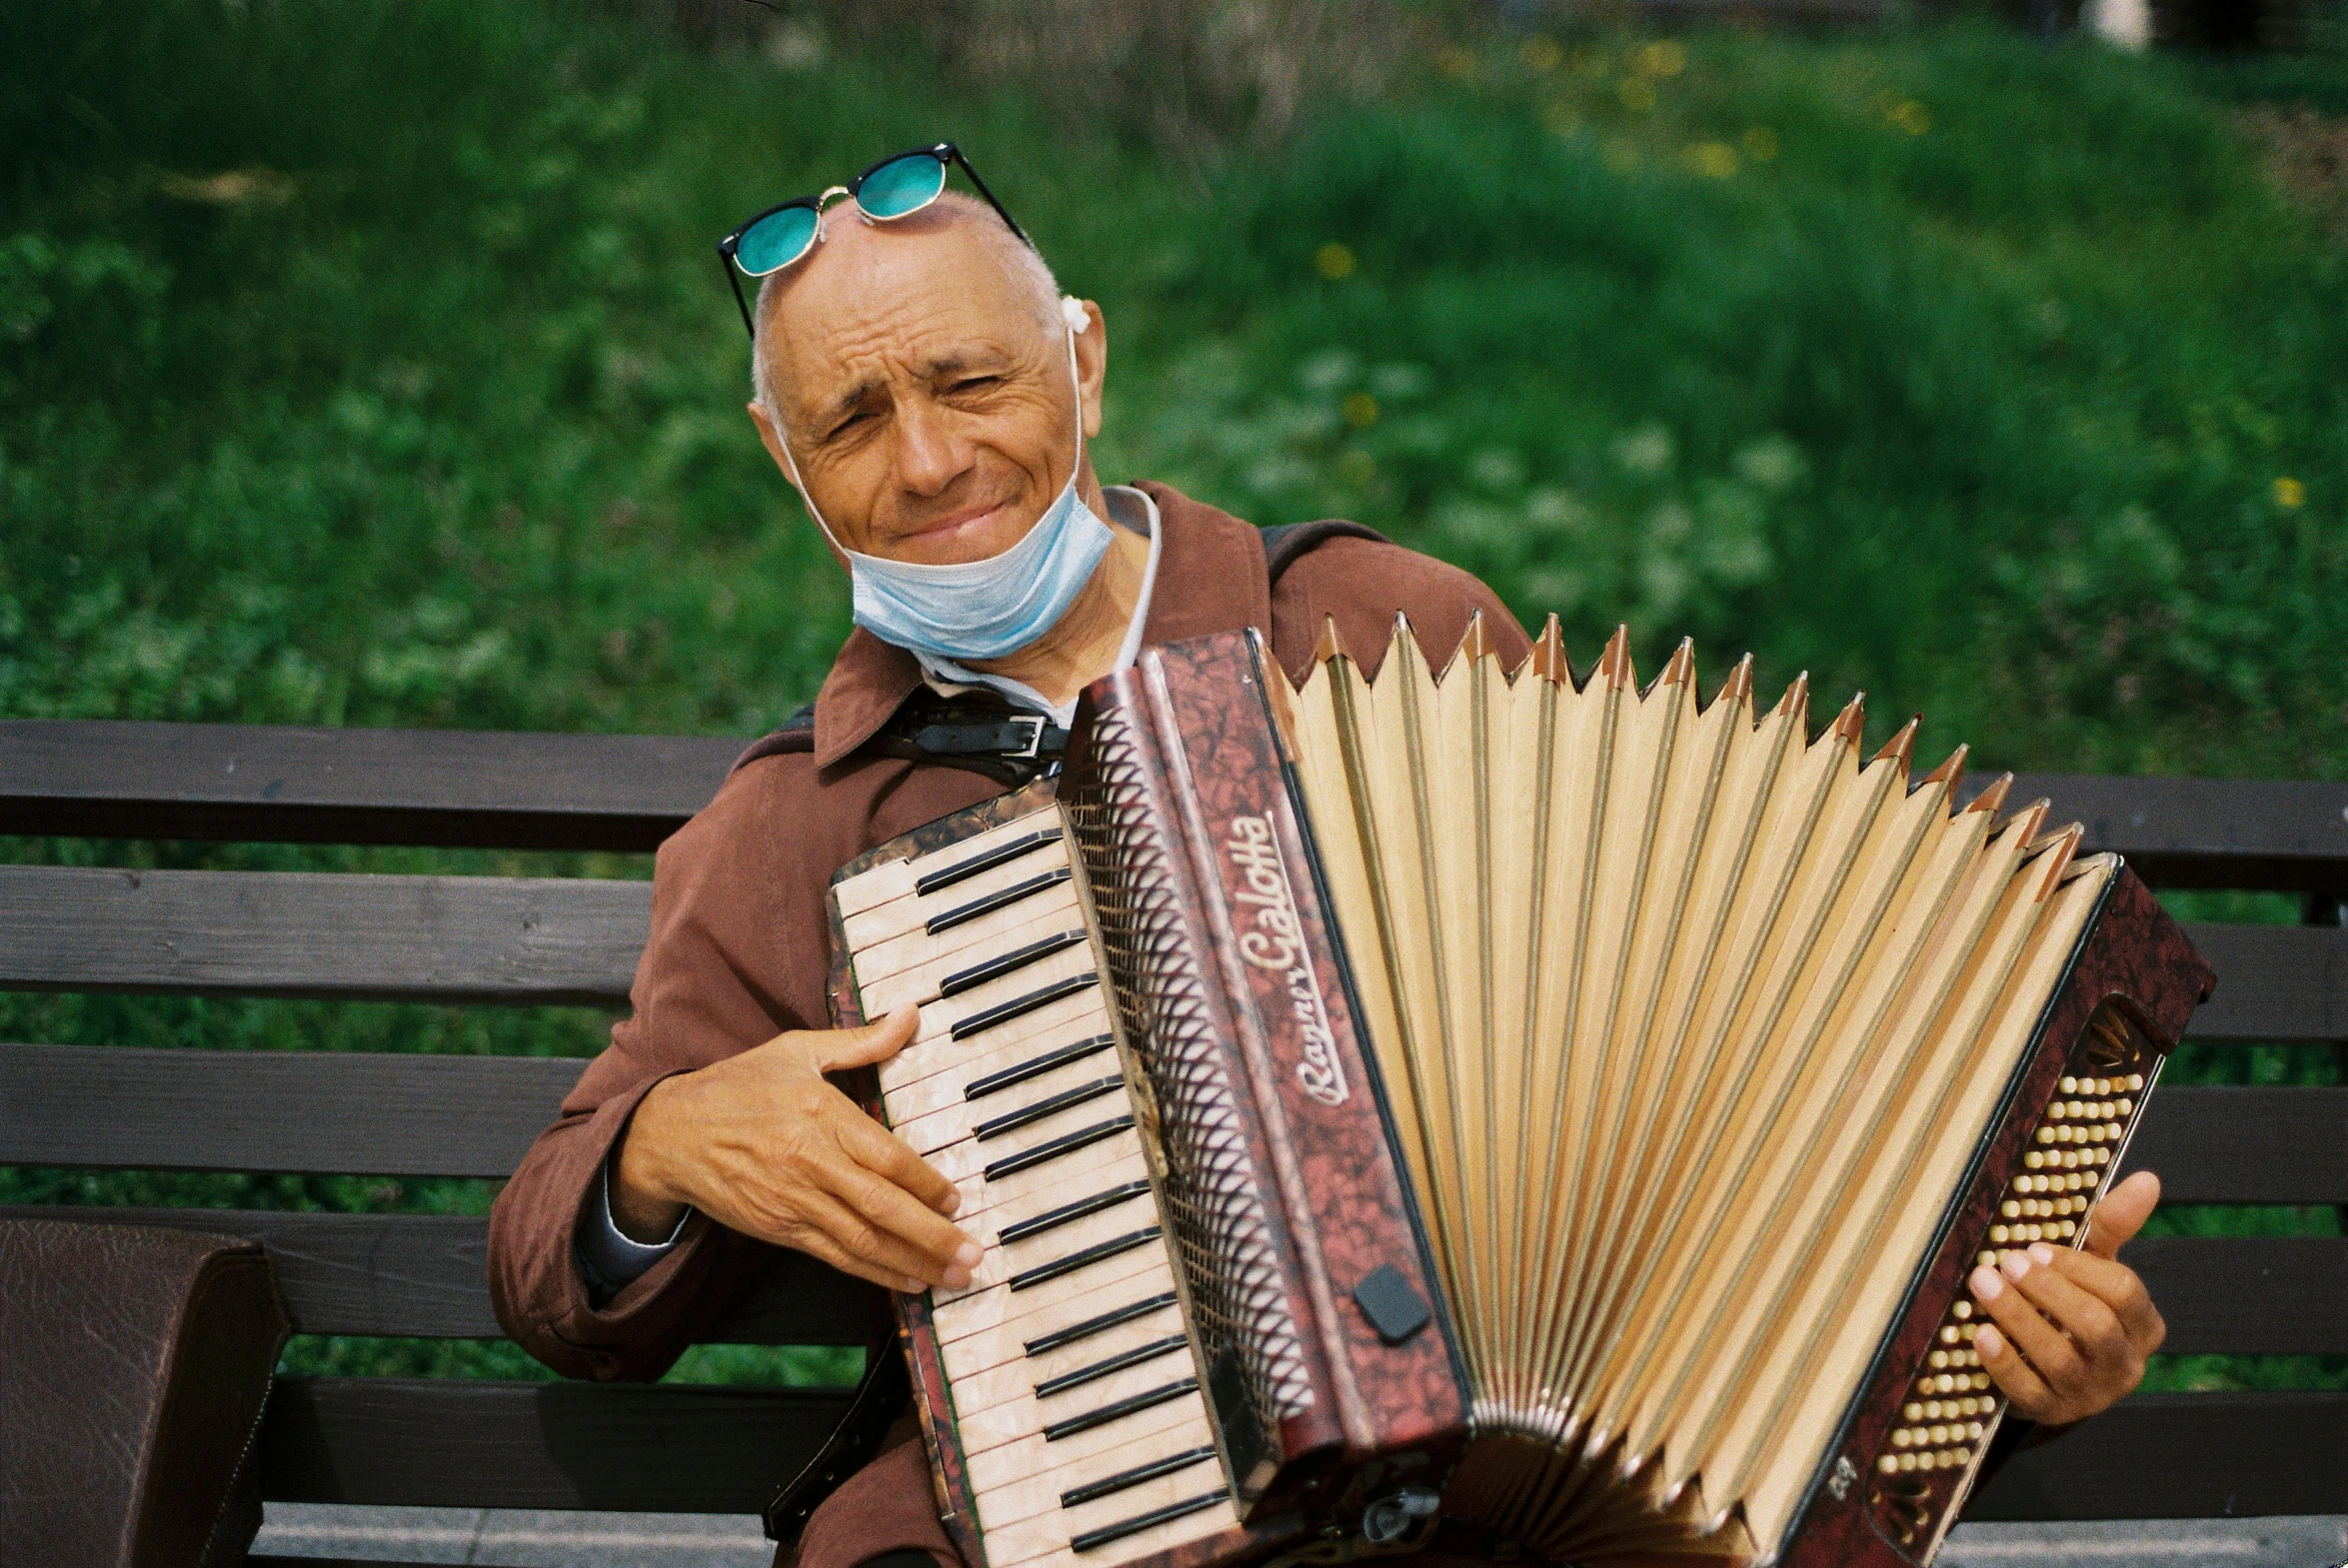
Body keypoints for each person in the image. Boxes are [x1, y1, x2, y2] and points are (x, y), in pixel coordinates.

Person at [486, 145, 2166, 1568]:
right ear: (786, 459)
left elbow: (1731, 1071)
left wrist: (2000, 1352)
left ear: (1082, 359)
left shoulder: (1386, 633)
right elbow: (548, 1259)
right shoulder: (791, 830)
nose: (927, 460)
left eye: (973, 382)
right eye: (853, 419)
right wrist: (670, 1148)